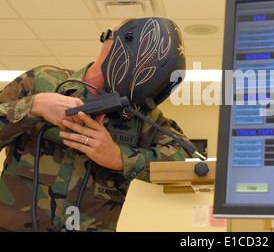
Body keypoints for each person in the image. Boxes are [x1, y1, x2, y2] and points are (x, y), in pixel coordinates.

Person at [0, 17, 195, 232]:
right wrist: (33, 106)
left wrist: (120, 158)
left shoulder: (139, 114)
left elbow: (187, 162)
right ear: (112, 43)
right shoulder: (42, 82)